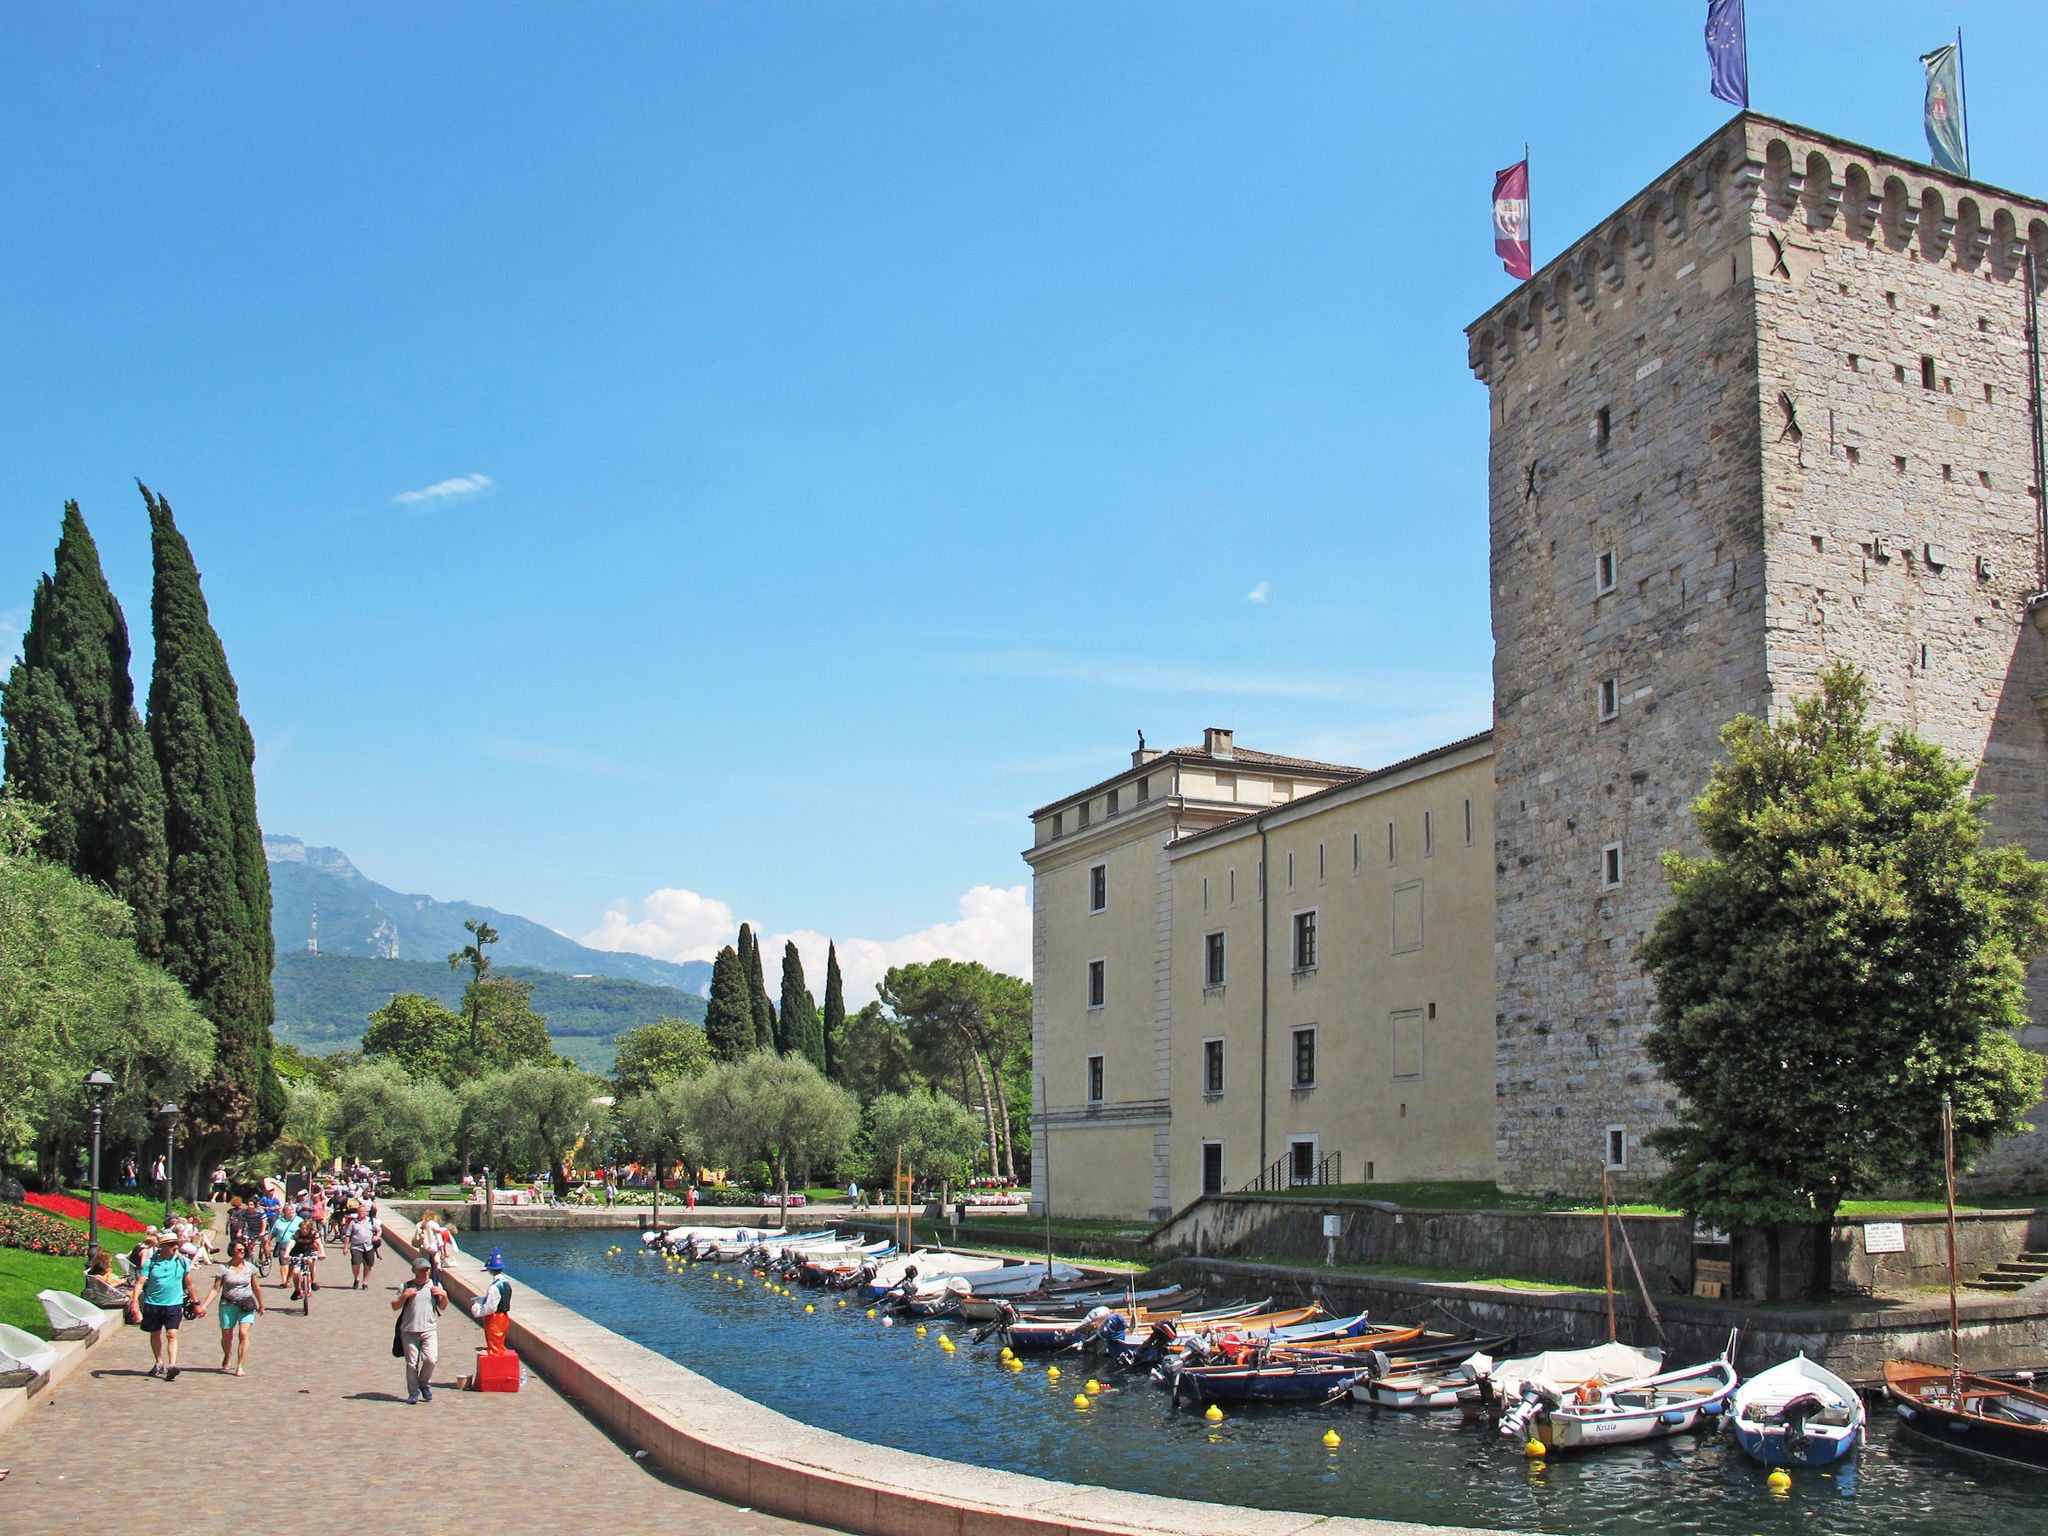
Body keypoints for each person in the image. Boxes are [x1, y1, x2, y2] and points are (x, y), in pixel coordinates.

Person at [129, 1231, 200, 1380]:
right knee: (155, 1333)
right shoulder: (152, 1262)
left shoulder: (182, 1262)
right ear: (162, 1247)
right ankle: (159, 1362)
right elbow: (141, 1282)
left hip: (173, 1304)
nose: (175, 1247)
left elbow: (189, 1283)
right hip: (153, 1303)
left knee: (172, 1334)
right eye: (171, 1244)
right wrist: (134, 1301)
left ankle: (172, 1365)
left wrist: (196, 1303)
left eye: (176, 1244)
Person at [204, 1240, 264, 1375]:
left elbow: (256, 1287)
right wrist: (204, 1306)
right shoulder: (223, 1269)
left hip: (246, 1304)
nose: (241, 1252)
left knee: (243, 1334)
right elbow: (215, 1289)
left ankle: (240, 1366)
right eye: (238, 1250)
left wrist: (261, 1304)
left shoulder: (250, 1268)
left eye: (243, 1250)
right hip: (227, 1304)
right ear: (232, 1251)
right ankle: (227, 1355)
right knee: (227, 1336)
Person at [391, 1255, 446, 1404]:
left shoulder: (435, 1286)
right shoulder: (406, 1287)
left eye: (427, 1270)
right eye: (422, 1270)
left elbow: (442, 1306)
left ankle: (423, 1383)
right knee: (411, 1364)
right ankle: (413, 1393)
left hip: (429, 1330)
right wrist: (404, 1296)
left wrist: (444, 1296)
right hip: (409, 1331)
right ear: (414, 1271)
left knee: (431, 1359)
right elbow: (394, 1306)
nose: (425, 1272)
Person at [470, 1248, 514, 1355]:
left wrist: (477, 1308)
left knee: (494, 1336)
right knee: (500, 1337)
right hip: (504, 1316)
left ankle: (493, 1351)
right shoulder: (506, 1283)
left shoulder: (494, 1287)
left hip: (495, 1318)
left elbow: (490, 1307)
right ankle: (495, 1349)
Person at [345, 1203, 381, 1288]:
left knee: (368, 1265)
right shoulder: (353, 1222)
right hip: (356, 1246)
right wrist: (345, 1247)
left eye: (363, 1212)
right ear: (357, 1212)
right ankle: (356, 1278)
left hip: (369, 1246)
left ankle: (365, 1282)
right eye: (360, 1212)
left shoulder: (371, 1221)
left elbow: (379, 1230)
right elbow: (348, 1235)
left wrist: (376, 1237)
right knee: (356, 1263)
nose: (361, 1213)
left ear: (366, 1212)